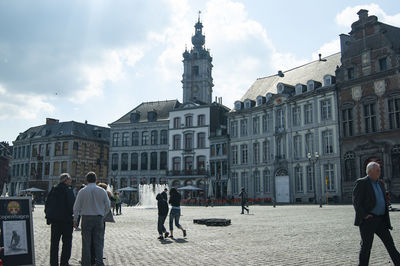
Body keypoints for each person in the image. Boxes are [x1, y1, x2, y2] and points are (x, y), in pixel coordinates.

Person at [353, 162, 400, 266]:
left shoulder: (380, 183)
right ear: (370, 172)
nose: (380, 172)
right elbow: (356, 202)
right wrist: (365, 215)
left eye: (379, 170)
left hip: (381, 220)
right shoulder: (362, 183)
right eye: (377, 170)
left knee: (390, 245)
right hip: (368, 220)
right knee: (366, 247)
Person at [73, 172, 110, 266]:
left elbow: (76, 207)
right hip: (98, 218)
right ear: (96, 180)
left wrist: (75, 219)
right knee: (99, 242)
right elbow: (108, 205)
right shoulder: (102, 191)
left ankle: (86, 262)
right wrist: (103, 215)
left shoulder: (82, 191)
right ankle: (99, 262)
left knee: (86, 242)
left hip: (86, 218)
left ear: (86, 180)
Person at [45, 173, 75, 266]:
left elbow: (47, 204)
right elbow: (72, 205)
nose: (71, 181)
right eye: (70, 179)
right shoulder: (68, 190)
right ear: (66, 180)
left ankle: (53, 263)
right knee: (67, 243)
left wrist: (48, 217)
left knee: (54, 244)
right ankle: (64, 262)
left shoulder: (54, 189)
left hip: (55, 221)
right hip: (66, 221)